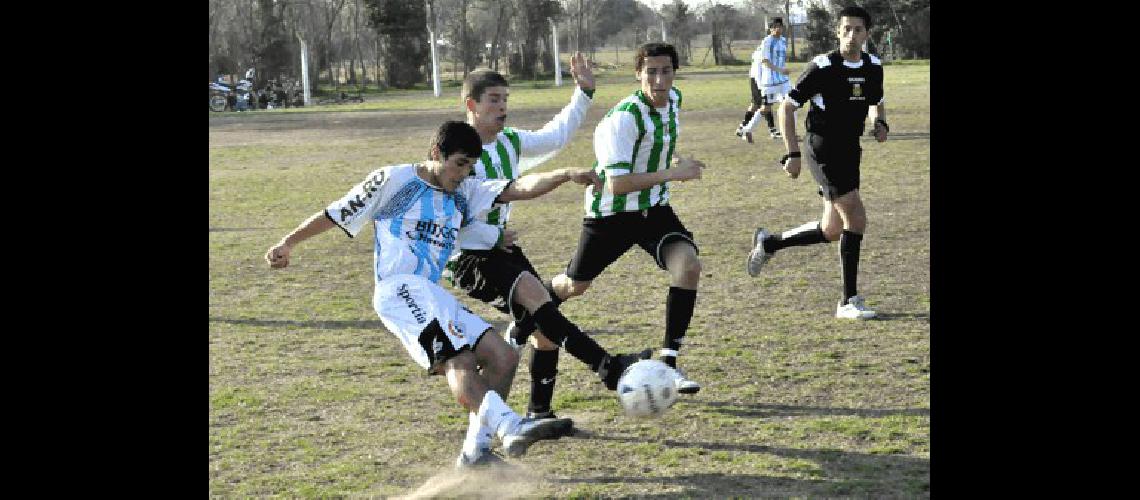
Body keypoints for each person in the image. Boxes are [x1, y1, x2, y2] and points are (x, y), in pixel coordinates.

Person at [265, 121, 651, 470]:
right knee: (459, 359)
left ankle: (476, 454)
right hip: (399, 290)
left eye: (470, 167)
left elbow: (517, 188)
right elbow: (336, 212)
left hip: (431, 293)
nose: (463, 174)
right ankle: (508, 425)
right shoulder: (392, 180)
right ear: (436, 154)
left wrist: (564, 174)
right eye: (459, 164)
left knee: (502, 355)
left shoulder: (464, 192)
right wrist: (288, 243)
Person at [446, 53, 623, 437]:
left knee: (543, 323)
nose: (503, 107)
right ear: (471, 105)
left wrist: (585, 92)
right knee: (540, 304)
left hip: (499, 248)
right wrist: (489, 234)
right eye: (494, 99)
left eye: (505, 99)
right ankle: (607, 366)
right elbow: (446, 213)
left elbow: (555, 136)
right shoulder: (456, 150)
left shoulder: (509, 142)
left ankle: (539, 409)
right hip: (468, 256)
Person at [548, 42, 705, 395]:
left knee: (688, 266)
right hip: (611, 214)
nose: (659, 80)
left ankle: (668, 364)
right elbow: (617, 185)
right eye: (651, 72)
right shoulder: (623, 119)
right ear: (638, 74)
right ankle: (533, 305)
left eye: (666, 71)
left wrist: (674, 162)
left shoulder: (674, 100)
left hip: (653, 210)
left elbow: (658, 144)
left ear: (674, 73)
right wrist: (675, 174)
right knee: (575, 286)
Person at [746, 5, 890, 320]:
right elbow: (786, 108)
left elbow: (876, 101)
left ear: (867, 34)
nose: (851, 35)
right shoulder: (822, 67)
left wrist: (880, 122)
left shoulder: (873, 66)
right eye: (846, 29)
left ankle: (769, 243)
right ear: (838, 31)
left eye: (858, 30)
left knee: (832, 229)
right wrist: (793, 153)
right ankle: (848, 301)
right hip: (822, 149)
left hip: (850, 149)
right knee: (856, 217)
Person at [736, 18, 791, 143]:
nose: (778, 29)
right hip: (766, 81)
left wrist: (783, 71)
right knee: (763, 107)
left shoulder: (783, 41)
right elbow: (763, 63)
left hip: (783, 80)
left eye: (780, 26)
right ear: (770, 29)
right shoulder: (766, 43)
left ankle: (786, 132)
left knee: (790, 103)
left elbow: (780, 59)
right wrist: (778, 71)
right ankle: (747, 129)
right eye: (775, 26)